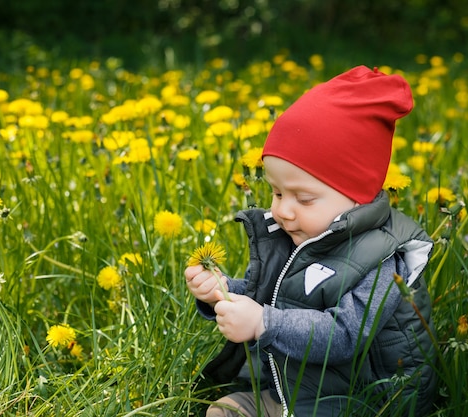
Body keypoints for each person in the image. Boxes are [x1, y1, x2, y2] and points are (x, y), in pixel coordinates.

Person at [185, 65, 437, 417]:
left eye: (303, 199)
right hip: (296, 387)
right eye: (275, 191)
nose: (284, 210)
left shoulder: (381, 259)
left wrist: (263, 323)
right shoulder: (298, 234)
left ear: (357, 196)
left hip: (360, 401)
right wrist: (221, 291)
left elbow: (346, 335)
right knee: (222, 411)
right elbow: (271, 299)